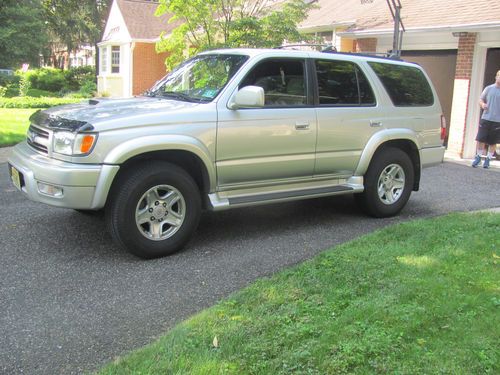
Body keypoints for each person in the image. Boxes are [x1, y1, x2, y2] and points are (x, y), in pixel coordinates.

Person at [472, 70, 500, 168]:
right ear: (496, 77)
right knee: (481, 139)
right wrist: (483, 104)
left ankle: (488, 160)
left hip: (497, 121)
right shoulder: (489, 88)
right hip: (486, 118)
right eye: (499, 76)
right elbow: (480, 99)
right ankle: (478, 158)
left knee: (493, 142)